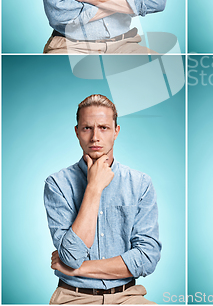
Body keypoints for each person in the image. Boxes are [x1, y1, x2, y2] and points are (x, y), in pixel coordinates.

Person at [44, 94, 161, 304]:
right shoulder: (57, 184)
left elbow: (147, 258)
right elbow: (71, 256)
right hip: (73, 297)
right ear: (77, 132)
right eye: (87, 128)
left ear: (116, 131)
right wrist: (94, 187)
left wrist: (79, 268)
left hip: (128, 297)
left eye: (104, 128)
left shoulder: (141, 183)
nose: (95, 137)